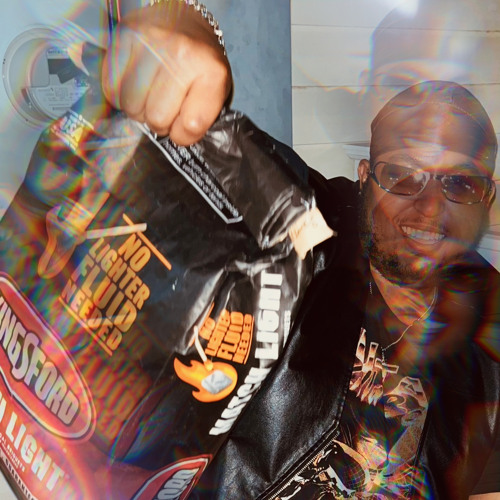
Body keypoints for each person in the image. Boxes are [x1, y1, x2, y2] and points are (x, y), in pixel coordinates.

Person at [102, 3, 500, 498]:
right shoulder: (303, 228)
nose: (430, 208)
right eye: (402, 175)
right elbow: (210, 153)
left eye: (460, 184)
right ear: (364, 179)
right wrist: (182, 27)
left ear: (486, 199)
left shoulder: (490, 334)